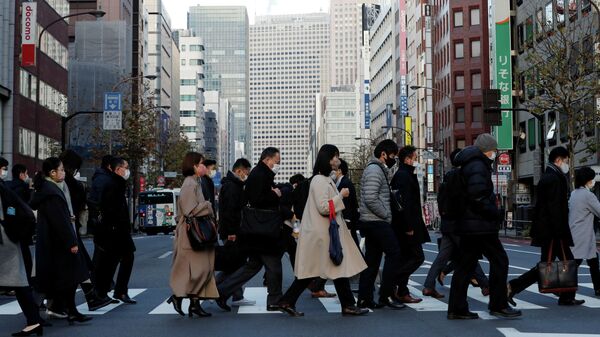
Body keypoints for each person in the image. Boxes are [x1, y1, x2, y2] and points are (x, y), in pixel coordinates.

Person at [274, 144, 368, 317]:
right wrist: (341, 195)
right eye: (334, 156)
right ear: (327, 159)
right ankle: (346, 305)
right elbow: (324, 207)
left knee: (328, 269)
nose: (337, 160)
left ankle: (288, 301)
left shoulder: (324, 179)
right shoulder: (319, 180)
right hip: (322, 235)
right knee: (323, 270)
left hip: (324, 234)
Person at [447, 134, 521, 319]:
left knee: (465, 266)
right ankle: (498, 304)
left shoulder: (469, 163)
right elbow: (478, 196)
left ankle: (457, 308)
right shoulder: (478, 166)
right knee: (499, 261)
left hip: (468, 224)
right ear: (488, 150)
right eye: (494, 151)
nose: (495, 154)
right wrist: (494, 213)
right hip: (480, 224)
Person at [508, 146, 584, 306]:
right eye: (566, 160)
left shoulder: (549, 176)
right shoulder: (554, 178)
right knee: (567, 261)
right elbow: (554, 207)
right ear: (559, 160)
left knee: (547, 264)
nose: (567, 164)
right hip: (553, 230)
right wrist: (560, 231)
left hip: (548, 229)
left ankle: (514, 287)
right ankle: (565, 296)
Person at [215, 147, 284, 312]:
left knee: (252, 266)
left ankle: (221, 292)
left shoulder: (260, 174)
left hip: (256, 230)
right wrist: (275, 194)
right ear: (267, 160)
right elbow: (257, 199)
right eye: (277, 161)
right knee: (273, 265)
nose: (278, 164)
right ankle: (274, 299)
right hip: (262, 230)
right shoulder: (261, 175)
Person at [30, 157, 92, 324]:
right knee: (53, 281)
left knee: (65, 278)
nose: (64, 172)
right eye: (62, 169)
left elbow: (57, 217)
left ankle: (70, 310)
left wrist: (68, 217)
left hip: (53, 242)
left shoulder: (50, 189)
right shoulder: (52, 192)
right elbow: (59, 221)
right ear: (52, 172)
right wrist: (71, 242)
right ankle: (35, 315)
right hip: (58, 243)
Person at [423, 149, 489, 299]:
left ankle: (428, 285)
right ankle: (485, 285)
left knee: (442, 257)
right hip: (459, 224)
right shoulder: (462, 176)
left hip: (447, 224)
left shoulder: (447, 178)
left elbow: (441, 201)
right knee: (469, 255)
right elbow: (465, 201)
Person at [60, 150, 112, 311]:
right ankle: (88, 299)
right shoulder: (70, 185)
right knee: (76, 266)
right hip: (68, 230)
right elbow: (78, 205)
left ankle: (83, 302)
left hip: (63, 231)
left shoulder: (54, 183)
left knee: (75, 267)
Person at [168, 152, 219, 317]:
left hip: (194, 232)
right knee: (197, 269)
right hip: (191, 234)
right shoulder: (190, 184)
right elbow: (191, 210)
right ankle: (179, 296)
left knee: (202, 269)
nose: (204, 167)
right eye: (202, 163)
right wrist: (208, 205)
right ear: (194, 166)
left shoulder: (195, 182)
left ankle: (194, 304)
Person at [357, 139, 405, 310]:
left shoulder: (376, 169)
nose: (394, 159)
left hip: (371, 221)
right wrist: (385, 214)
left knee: (372, 260)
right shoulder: (374, 170)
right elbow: (370, 198)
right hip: (377, 221)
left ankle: (365, 298)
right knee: (394, 254)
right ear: (383, 154)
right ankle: (386, 295)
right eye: (392, 156)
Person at [0, 170, 44, 336]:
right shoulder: (4, 187)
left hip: (4, 243)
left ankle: (34, 321)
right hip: (9, 241)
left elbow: (5, 214)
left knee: (19, 283)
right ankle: (34, 321)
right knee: (19, 283)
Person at [94, 157, 137, 304]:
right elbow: (110, 209)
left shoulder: (117, 183)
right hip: (115, 230)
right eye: (125, 167)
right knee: (112, 261)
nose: (127, 170)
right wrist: (116, 226)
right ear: (118, 169)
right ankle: (108, 292)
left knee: (120, 259)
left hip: (117, 229)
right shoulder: (113, 184)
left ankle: (114, 291)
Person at [391, 146, 430, 304]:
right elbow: (404, 204)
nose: (416, 161)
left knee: (407, 257)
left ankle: (402, 290)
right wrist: (408, 227)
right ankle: (392, 282)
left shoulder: (403, 174)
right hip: (407, 226)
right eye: (414, 158)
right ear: (407, 159)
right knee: (417, 257)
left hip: (407, 224)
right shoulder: (403, 176)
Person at [216, 158, 254, 306]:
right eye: (246, 172)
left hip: (232, 231)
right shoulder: (232, 186)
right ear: (239, 170)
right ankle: (213, 289)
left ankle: (236, 295)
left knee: (233, 265)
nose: (247, 175)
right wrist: (232, 232)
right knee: (235, 265)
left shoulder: (233, 184)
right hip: (232, 232)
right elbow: (230, 211)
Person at [568, 167, 600, 296]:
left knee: (592, 260)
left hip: (576, 232)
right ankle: (567, 292)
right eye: (592, 179)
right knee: (576, 263)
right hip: (583, 234)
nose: (593, 182)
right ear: (587, 180)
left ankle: (598, 287)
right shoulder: (588, 195)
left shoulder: (574, 193)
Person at [6, 164, 35, 285]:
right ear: (22, 174)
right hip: (22, 227)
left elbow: (10, 207)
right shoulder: (23, 187)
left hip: (9, 225)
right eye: (26, 173)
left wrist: (10, 216)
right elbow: (27, 207)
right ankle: (27, 280)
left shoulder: (7, 186)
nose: (27, 176)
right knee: (25, 256)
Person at [335, 159, 360, 247]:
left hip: (348, 222)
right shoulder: (341, 182)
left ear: (339, 170)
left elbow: (347, 204)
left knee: (353, 248)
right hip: (348, 221)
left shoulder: (344, 183)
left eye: (334, 169)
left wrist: (347, 222)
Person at [88, 155, 113, 236]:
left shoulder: (101, 177)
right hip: (102, 219)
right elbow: (102, 200)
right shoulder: (104, 179)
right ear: (109, 166)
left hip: (99, 218)